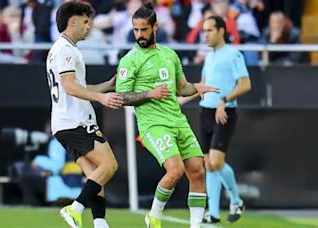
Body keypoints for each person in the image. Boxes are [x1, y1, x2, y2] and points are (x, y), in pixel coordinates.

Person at [116, 3, 219, 228]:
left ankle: (196, 226)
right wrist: (150, 94)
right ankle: (154, 215)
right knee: (175, 170)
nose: (139, 35)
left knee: (197, 171)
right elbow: (122, 97)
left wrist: (197, 87)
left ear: (155, 27)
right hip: (153, 124)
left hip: (177, 120)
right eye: (136, 30)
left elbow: (181, 88)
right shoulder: (130, 60)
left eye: (144, 29)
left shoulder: (170, 55)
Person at [46, 1, 123, 228]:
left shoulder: (60, 49)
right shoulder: (66, 50)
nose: (89, 26)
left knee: (95, 174)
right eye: (86, 21)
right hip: (76, 121)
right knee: (109, 166)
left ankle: (100, 223)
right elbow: (70, 87)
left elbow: (79, 87)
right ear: (73, 21)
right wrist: (102, 98)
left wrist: (107, 86)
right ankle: (75, 208)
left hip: (63, 124)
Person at [195, 15, 251, 223]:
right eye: (203, 31)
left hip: (224, 111)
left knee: (217, 161)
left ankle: (236, 200)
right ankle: (214, 213)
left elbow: (245, 85)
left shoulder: (233, 54)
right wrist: (180, 99)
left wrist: (224, 100)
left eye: (209, 30)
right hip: (205, 111)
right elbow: (203, 83)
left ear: (221, 31)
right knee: (208, 164)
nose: (205, 35)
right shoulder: (209, 56)